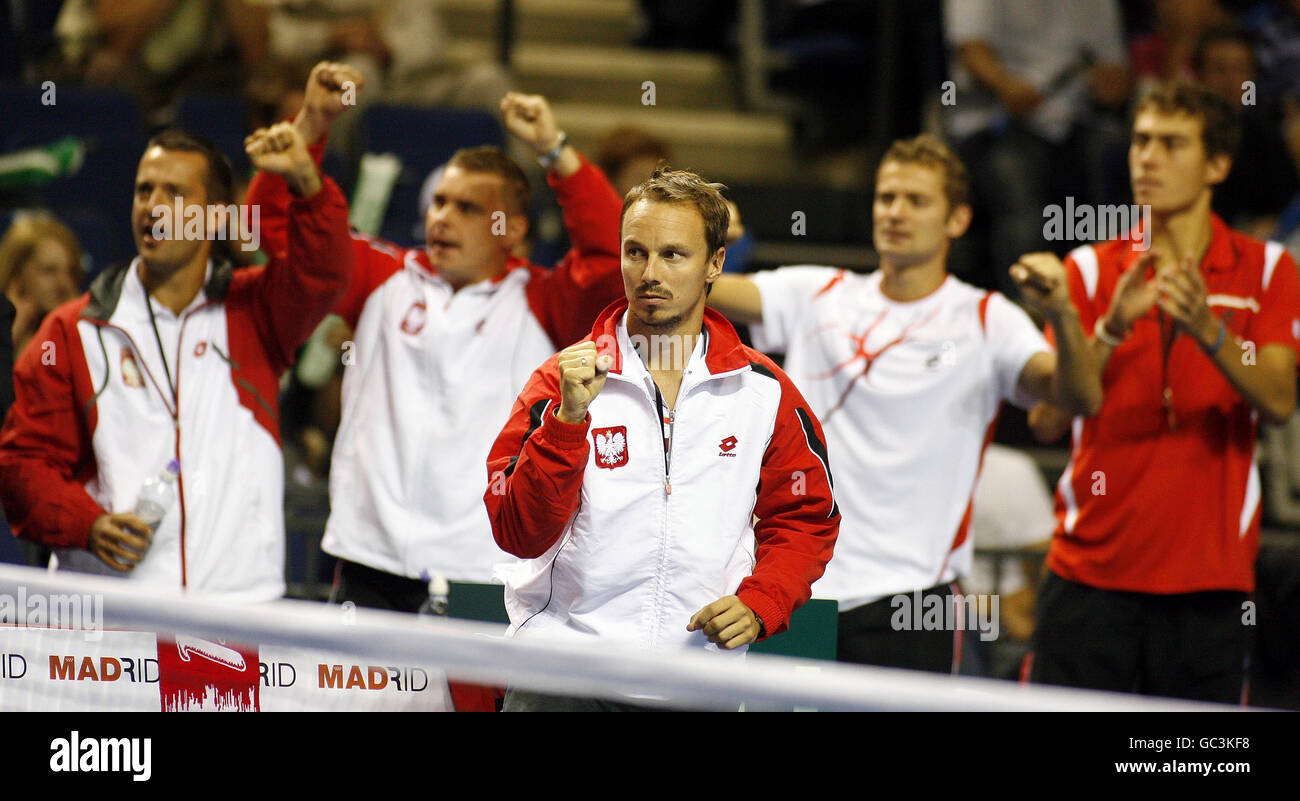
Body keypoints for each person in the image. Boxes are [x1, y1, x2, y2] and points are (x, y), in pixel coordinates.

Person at [706, 133, 1101, 674]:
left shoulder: (987, 318)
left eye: (917, 200)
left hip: (913, 602)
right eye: (886, 197)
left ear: (957, 220)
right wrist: (703, 234)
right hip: (794, 586)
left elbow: (1078, 397)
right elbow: (690, 285)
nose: (895, 211)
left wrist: (1063, 314)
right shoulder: (817, 293)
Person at [247, 66, 625, 611]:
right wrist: (311, 125)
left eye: (468, 209)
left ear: (513, 230)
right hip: (368, 561)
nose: (442, 218)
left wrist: (552, 149)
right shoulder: (381, 276)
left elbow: (611, 257)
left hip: (488, 572)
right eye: (439, 202)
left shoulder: (544, 300)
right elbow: (274, 228)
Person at [485, 167, 840, 711]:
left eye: (673, 255)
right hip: (561, 676)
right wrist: (567, 421)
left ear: (714, 265)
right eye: (635, 252)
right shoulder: (560, 383)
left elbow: (806, 517)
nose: (649, 272)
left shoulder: (764, 392)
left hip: (696, 684)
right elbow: (518, 532)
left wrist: (761, 602)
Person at [1025, 82, 1300, 703]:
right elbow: (1046, 418)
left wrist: (1210, 330)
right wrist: (1111, 329)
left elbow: (1279, 401)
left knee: (1186, 768)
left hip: (1209, 585)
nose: (1147, 157)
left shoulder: (1269, 270)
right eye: (1141, 141)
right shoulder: (1089, 270)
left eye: (1171, 144)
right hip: (1087, 577)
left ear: (1218, 165)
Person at [0, 117, 351, 599]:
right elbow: (23, 466)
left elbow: (324, 272)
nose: (154, 208)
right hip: (114, 619)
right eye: (144, 191)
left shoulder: (256, 312)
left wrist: (306, 181)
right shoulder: (71, 330)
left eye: (175, 194)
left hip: (236, 611)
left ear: (215, 215)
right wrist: (89, 524)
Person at [0, 212, 85, 359]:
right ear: (17, 276)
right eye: (49, 271)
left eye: (71, 272)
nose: (64, 284)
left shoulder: (89, 331)